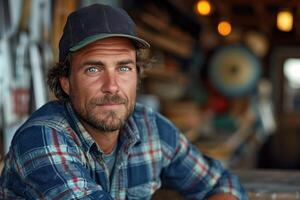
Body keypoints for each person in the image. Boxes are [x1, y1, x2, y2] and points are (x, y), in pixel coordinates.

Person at [0, 4, 248, 200]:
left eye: (124, 68)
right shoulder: (41, 137)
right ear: (66, 82)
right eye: (93, 70)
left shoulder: (151, 128)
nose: (112, 86)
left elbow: (221, 182)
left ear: (137, 76)